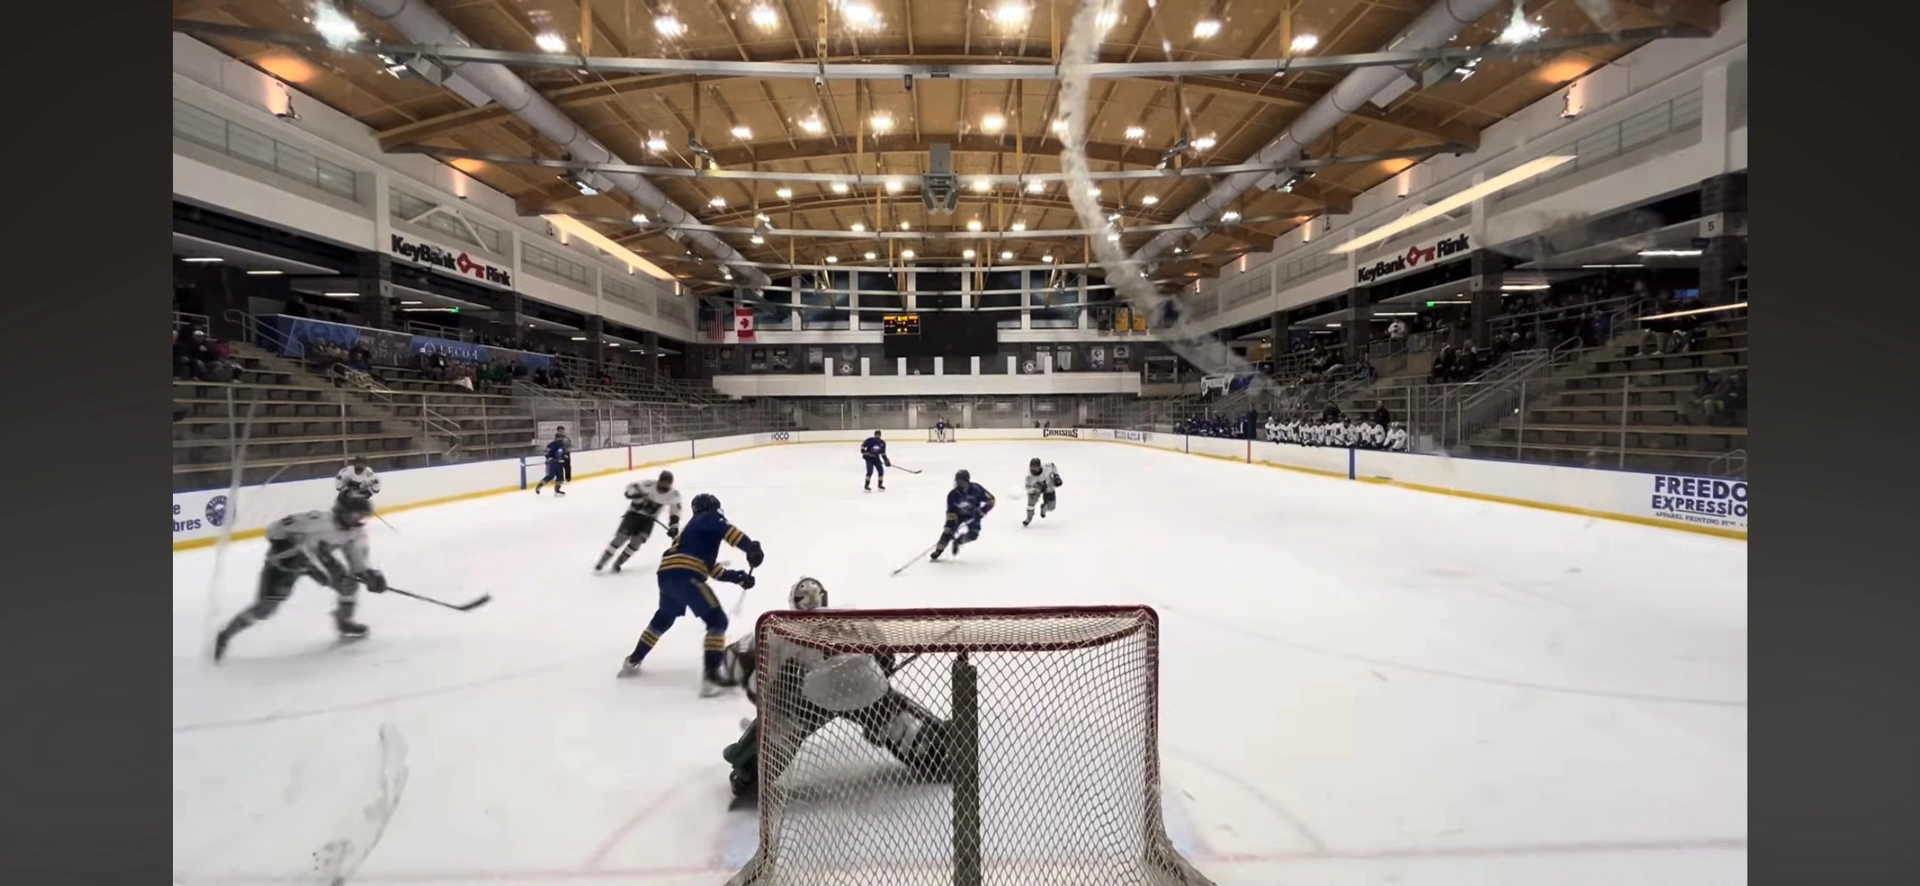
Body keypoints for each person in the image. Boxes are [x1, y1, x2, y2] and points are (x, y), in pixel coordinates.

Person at [717, 577, 955, 810]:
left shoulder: (782, 627)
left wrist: (767, 698)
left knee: (781, 726)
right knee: (890, 709)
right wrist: (879, 670)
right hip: (863, 683)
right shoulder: (851, 616)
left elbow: (740, 661)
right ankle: (927, 746)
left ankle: (750, 770)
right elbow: (885, 656)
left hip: (813, 695)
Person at [212, 491, 388, 661]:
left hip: (315, 562)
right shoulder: (315, 521)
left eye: (361, 516)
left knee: (349, 584)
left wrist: (368, 575)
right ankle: (226, 634)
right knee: (265, 608)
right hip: (287, 562)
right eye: (354, 515)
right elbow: (274, 529)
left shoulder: (355, 533)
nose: (358, 520)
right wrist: (284, 543)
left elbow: (356, 560)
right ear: (341, 511)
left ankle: (344, 621)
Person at [618, 493, 764, 696]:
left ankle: (632, 660)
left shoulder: (689, 534)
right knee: (717, 620)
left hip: (667, 576)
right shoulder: (708, 517)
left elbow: (711, 569)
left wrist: (738, 577)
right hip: (686, 574)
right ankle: (711, 677)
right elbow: (728, 531)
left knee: (663, 619)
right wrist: (751, 547)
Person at [595, 470, 684, 573]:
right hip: (633, 515)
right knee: (620, 538)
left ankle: (618, 564)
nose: (664, 486)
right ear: (658, 481)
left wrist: (674, 526)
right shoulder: (648, 485)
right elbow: (631, 488)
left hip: (648, 520)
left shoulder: (674, 495)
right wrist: (632, 494)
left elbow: (675, 511)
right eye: (663, 482)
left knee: (636, 542)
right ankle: (602, 561)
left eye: (667, 483)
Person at [929, 470, 994, 562]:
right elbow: (950, 511)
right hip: (958, 515)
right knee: (948, 532)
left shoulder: (977, 489)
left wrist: (982, 511)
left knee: (973, 534)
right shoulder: (952, 495)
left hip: (974, 515)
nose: (959, 484)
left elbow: (991, 500)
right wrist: (949, 524)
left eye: (961, 482)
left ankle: (959, 541)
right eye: (957, 481)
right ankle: (938, 550)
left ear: (967, 481)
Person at [1022, 458, 1063, 527]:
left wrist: (1056, 476)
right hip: (1036, 488)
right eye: (1032, 467)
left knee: (1051, 507)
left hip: (1048, 485)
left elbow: (1053, 466)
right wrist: (1034, 490)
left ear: (1039, 466)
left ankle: (1045, 507)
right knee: (1031, 503)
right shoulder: (1029, 477)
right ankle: (1028, 518)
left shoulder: (1046, 467)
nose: (1033, 469)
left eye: (1035, 467)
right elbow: (1028, 487)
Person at [534, 428, 571, 495]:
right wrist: (549, 458)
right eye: (562, 437)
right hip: (552, 463)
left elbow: (563, 452)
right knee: (550, 476)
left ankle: (557, 490)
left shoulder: (563, 445)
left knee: (560, 477)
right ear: (557, 438)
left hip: (559, 463)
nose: (563, 439)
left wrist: (564, 456)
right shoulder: (551, 445)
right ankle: (539, 486)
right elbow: (546, 453)